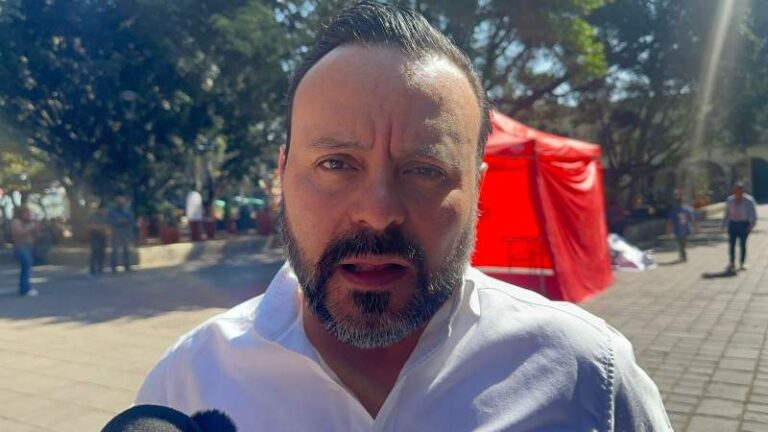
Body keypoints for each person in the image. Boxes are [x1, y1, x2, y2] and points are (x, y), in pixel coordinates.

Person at [135, 2, 670, 430]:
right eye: (336, 163)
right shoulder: (187, 381)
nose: (377, 213)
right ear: (283, 175)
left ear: (478, 189)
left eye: (425, 170)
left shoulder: (587, 378)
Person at [722, 181, 757, 272]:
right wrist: (724, 225)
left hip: (743, 225)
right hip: (732, 224)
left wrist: (751, 226)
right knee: (732, 245)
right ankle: (732, 263)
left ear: (742, 191)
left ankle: (742, 263)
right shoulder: (730, 200)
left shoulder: (749, 200)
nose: (736, 193)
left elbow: (753, 214)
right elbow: (727, 213)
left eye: (738, 191)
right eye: (735, 191)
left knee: (743, 245)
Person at [10, 206, 40, 297]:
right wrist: (30, 227)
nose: (28, 215)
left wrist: (36, 228)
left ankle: (25, 287)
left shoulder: (28, 222)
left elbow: (37, 235)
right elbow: (19, 233)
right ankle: (25, 289)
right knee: (26, 266)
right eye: (26, 213)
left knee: (27, 267)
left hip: (28, 247)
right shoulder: (16, 222)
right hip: (20, 247)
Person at [666, 193, 698, 262]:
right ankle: (683, 255)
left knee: (680, 243)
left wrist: (669, 231)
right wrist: (696, 228)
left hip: (677, 230)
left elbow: (669, 222)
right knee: (682, 243)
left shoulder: (673, 210)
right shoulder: (688, 209)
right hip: (686, 229)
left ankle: (683, 255)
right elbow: (693, 220)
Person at [107, 196, 135, 272]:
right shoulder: (112, 212)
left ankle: (127, 266)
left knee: (127, 250)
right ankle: (114, 267)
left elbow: (132, 221)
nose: (121, 204)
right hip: (116, 233)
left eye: (122, 202)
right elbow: (109, 221)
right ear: (116, 203)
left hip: (126, 233)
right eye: (119, 202)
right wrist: (118, 222)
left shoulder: (128, 212)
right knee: (115, 251)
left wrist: (125, 222)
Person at [87, 202, 110, 275]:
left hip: (103, 236)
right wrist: (102, 227)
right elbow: (90, 226)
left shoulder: (106, 216)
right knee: (95, 252)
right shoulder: (92, 216)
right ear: (100, 209)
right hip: (95, 236)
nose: (104, 211)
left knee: (102, 253)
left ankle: (101, 268)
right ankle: (92, 269)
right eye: (103, 210)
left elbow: (108, 226)